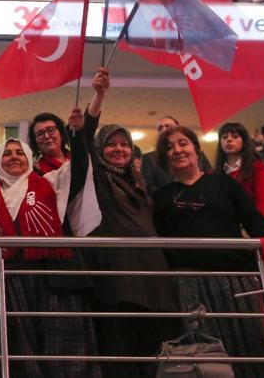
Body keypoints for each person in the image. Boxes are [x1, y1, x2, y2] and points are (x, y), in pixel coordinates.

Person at [153, 125, 264, 378]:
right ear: (164, 158)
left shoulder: (225, 183)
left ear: (196, 149)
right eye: (169, 147)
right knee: (207, 354)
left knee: (252, 345)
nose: (177, 150)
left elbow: (252, 218)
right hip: (189, 282)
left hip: (235, 278)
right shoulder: (161, 196)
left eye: (183, 143)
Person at [74, 67, 179, 378]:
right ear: (100, 150)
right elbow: (83, 140)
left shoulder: (139, 181)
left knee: (156, 355)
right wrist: (99, 96)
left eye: (124, 144)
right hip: (117, 278)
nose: (119, 149)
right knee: (120, 354)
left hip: (153, 279)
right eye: (111, 144)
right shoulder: (95, 178)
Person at [0, 129, 101, 378]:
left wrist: (80, 131)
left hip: (54, 275)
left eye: (19, 153)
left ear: (29, 158)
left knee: (65, 346)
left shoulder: (50, 181)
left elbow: (78, 167)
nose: (14, 157)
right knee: (25, 349)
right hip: (13, 279)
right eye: (7, 154)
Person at [214, 122, 264, 221]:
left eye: (235, 136)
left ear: (244, 141)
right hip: (224, 225)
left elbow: (263, 201)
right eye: (224, 137)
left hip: (251, 223)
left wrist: (261, 225)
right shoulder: (214, 173)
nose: (229, 140)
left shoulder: (258, 167)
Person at [140, 116, 212, 196]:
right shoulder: (148, 158)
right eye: (160, 128)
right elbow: (149, 186)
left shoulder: (218, 185)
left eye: (168, 126)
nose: (164, 129)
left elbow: (209, 172)